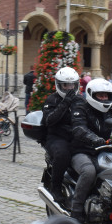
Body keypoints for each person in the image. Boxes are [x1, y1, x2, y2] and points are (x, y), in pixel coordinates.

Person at [68, 78, 112, 221]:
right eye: (100, 95)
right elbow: (79, 128)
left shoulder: (110, 110)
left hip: (103, 150)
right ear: (92, 95)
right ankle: (76, 211)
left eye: (106, 95)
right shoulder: (81, 108)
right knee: (89, 171)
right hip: (81, 150)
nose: (104, 98)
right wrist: (93, 138)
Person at [40, 67, 80, 208]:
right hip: (57, 137)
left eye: (72, 85)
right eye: (66, 85)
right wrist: (65, 103)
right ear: (59, 85)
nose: (69, 88)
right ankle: (55, 187)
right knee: (63, 154)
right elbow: (49, 120)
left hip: (76, 136)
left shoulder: (80, 100)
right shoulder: (52, 99)